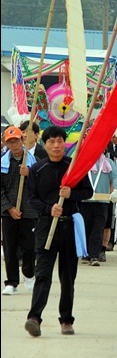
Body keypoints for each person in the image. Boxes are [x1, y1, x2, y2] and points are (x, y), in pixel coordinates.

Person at [24, 126, 93, 337]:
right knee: (43, 274)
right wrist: (48, 209)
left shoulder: (74, 167)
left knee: (68, 276)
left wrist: (71, 193)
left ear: (65, 143)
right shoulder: (37, 169)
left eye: (60, 141)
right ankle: (34, 317)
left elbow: (88, 192)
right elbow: (31, 198)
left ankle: (66, 320)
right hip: (46, 226)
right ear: (44, 145)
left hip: (69, 226)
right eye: (52, 142)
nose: (56, 146)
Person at [1, 126, 37, 295]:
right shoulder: (2, 163)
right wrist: (9, 208)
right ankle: (11, 282)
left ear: (23, 141)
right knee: (10, 247)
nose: (14, 145)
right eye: (10, 142)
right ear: (5, 143)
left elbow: (41, 186)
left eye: (16, 141)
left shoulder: (33, 162)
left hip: (29, 211)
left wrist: (30, 174)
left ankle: (29, 275)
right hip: (9, 212)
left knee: (30, 246)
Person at [81, 152, 117, 266]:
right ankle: (85, 253)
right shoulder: (83, 161)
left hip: (102, 202)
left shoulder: (108, 162)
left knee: (98, 229)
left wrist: (116, 189)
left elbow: (115, 177)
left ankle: (94, 255)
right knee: (86, 228)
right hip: (85, 201)